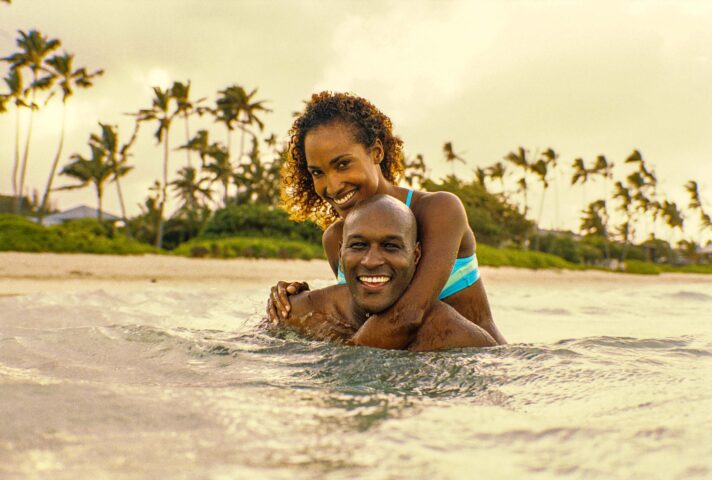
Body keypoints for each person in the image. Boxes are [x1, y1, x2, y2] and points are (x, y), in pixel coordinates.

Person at [267, 91, 506, 348]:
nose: (332, 185)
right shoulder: (337, 237)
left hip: (478, 368)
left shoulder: (439, 210)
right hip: (416, 374)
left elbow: (409, 315)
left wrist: (340, 362)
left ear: (377, 152)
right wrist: (299, 301)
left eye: (343, 164)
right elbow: (364, 313)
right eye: (318, 172)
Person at [271, 195, 496, 351]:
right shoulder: (300, 312)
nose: (371, 261)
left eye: (391, 246)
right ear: (340, 253)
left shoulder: (451, 332)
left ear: (416, 256)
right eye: (358, 245)